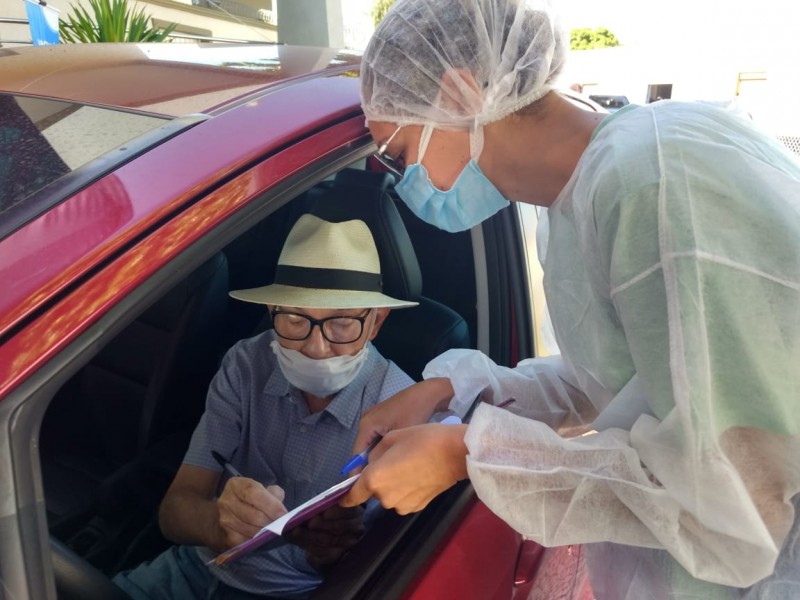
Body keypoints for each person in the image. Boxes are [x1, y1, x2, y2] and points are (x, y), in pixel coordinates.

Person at [340, 0, 800, 598]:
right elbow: (624, 382)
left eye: (397, 154)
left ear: (458, 94)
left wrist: (473, 457)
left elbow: (732, 499)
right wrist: (452, 390)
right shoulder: (587, 192)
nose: (406, 183)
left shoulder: (654, 185)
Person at [114, 214, 417, 599]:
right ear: (272, 310)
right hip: (193, 569)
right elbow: (174, 511)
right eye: (294, 320)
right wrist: (216, 525)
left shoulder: (403, 409)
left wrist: (330, 554)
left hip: (295, 592)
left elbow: (383, 570)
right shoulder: (246, 364)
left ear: (375, 323)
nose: (316, 347)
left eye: (342, 324)